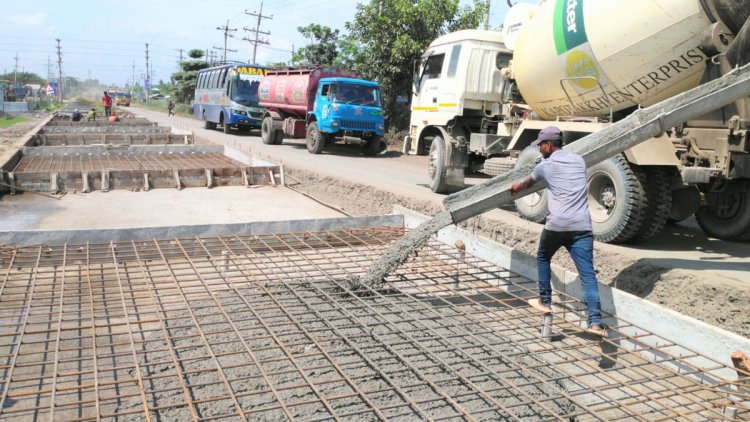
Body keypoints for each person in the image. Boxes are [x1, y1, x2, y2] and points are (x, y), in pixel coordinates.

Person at [510, 126, 606, 337]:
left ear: (549, 145)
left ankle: (545, 301)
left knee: (543, 257)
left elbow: (527, 183)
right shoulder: (579, 161)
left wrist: (517, 186)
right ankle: (596, 323)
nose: (540, 149)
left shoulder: (545, 166)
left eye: (541, 145)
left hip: (557, 226)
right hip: (582, 227)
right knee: (588, 275)